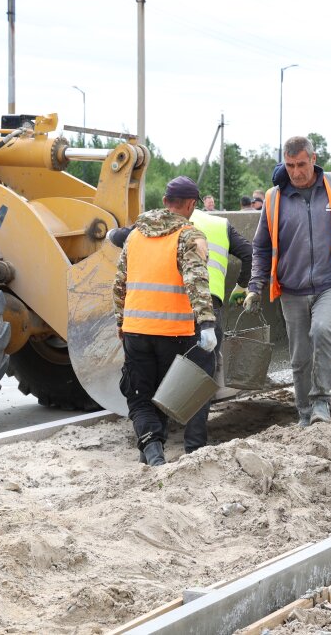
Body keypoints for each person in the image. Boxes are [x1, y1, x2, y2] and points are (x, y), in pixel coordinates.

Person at [244, 136, 331, 427]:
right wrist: (255, 286)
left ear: (313, 159)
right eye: (290, 165)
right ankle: (304, 412)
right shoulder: (274, 198)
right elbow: (261, 247)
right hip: (291, 288)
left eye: (301, 164)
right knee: (300, 356)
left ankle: (321, 403)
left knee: (322, 330)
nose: (296, 172)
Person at [113, 176, 217, 466]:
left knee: (140, 398)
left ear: (165, 203)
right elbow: (197, 281)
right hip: (176, 333)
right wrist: (207, 324)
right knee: (173, 393)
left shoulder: (134, 236)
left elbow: (118, 286)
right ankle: (189, 449)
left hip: (136, 332)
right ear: (191, 205)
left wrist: (121, 323)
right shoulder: (188, 235)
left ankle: (154, 453)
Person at [190, 204, 253, 391]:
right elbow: (249, 253)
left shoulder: (161, 221)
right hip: (209, 305)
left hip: (172, 305)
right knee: (203, 369)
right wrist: (242, 285)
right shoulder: (219, 224)